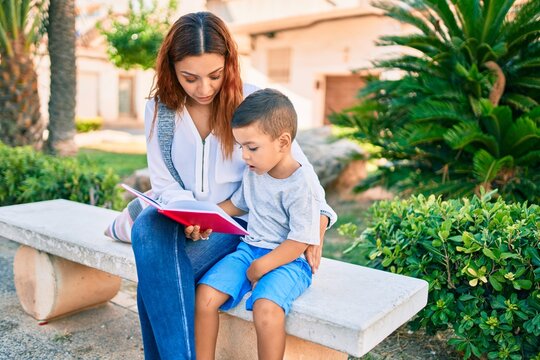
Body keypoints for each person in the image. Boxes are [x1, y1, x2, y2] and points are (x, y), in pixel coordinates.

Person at [130, 11, 337, 360]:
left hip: (239, 228)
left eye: (214, 75)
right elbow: (164, 184)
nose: (204, 88)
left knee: (152, 285)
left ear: (229, 62)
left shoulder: (252, 102)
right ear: (171, 68)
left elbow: (301, 173)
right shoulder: (159, 110)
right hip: (186, 224)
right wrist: (193, 216)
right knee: (147, 227)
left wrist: (318, 222)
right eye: (189, 78)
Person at [195, 88, 325, 360]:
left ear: (283, 142)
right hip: (248, 250)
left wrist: (262, 266)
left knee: (267, 310)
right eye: (241, 147)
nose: (244, 155)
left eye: (251, 147)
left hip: (289, 262)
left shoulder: (302, 185)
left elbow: (300, 240)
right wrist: (204, 216)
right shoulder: (254, 171)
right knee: (205, 297)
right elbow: (237, 204)